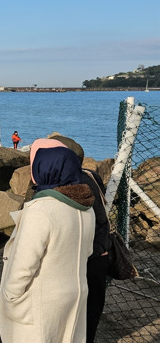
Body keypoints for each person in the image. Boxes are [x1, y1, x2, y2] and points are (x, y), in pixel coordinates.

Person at [0, 139, 95, 342]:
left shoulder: (41, 210)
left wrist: (10, 296)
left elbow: (24, 265)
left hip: (40, 301)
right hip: (73, 296)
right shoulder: (86, 209)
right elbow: (87, 252)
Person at [50, 135, 111, 343]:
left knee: (72, 316)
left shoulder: (65, 182)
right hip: (100, 251)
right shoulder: (91, 176)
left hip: (80, 256)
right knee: (91, 314)